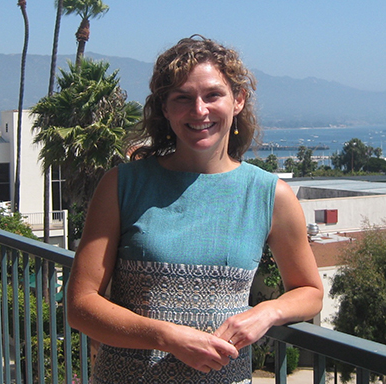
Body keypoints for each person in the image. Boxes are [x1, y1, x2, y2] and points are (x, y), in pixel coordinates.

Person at [67, 35, 323, 384]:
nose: (199, 110)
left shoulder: (269, 194)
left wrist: (267, 312)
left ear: (238, 100)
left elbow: (310, 291)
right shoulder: (121, 185)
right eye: (183, 98)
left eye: (213, 95)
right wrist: (167, 337)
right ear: (165, 109)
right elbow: (81, 305)